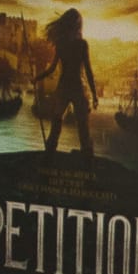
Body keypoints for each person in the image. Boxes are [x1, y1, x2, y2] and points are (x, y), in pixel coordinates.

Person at [38, 9, 98, 163]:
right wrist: (95, 94)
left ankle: (48, 156)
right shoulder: (82, 44)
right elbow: (89, 71)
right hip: (78, 88)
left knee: (56, 124)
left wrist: (39, 77)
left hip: (64, 88)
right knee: (83, 128)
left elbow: (52, 68)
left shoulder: (61, 44)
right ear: (78, 25)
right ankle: (87, 161)